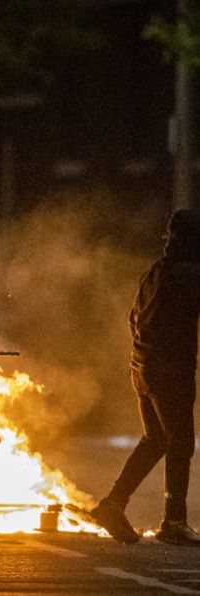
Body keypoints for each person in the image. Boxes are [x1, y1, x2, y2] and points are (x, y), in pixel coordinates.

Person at [91, 209, 200, 545]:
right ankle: (174, 520)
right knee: (180, 441)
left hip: (142, 368)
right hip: (171, 371)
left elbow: (132, 318)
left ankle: (113, 504)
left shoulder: (153, 272)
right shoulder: (188, 274)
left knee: (156, 440)